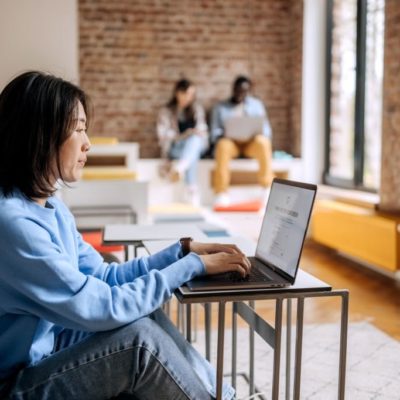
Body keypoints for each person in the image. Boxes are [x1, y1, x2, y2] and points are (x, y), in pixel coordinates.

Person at [0, 71, 252, 400]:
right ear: (40, 134)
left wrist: (181, 251)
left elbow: (105, 276)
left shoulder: (52, 208)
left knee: (142, 311)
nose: (87, 142)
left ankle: (224, 396)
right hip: (16, 384)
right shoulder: (12, 223)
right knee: (138, 341)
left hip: (49, 352)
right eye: (77, 129)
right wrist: (193, 267)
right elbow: (104, 307)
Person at [210, 76, 274, 206]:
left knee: (263, 142)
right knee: (222, 145)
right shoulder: (220, 107)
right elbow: (214, 133)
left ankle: (266, 188)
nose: (240, 93)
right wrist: (224, 134)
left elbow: (267, 131)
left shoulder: (257, 105)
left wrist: (256, 132)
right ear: (233, 89)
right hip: (231, 144)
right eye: (238, 90)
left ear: (249, 91)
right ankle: (221, 193)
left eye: (244, 91)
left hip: (251, 144)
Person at [157, 79, 208, 206]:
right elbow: (163, 135)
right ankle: (192, 190)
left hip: (195, 145)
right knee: (191, 154)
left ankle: (180, 168)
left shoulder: (197, 110)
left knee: (195, 140)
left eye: (191, 94)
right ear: (177, 93)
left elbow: (203, 130)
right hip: (175, 148)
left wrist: (194, 133)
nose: (188, 97)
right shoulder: (166, 112)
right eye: (185, 94)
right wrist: (183, 136)